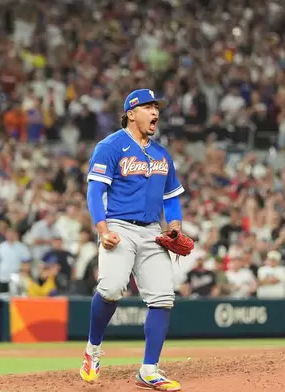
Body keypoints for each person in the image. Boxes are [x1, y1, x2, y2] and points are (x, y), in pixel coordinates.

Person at [80, 89, 185, 391]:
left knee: (163, 297)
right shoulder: (110, 146)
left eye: (157, 107)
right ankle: (93, 350)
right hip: (119, 226)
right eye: (149, 107)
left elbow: (171, 198)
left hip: (153, 230)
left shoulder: (162, 154)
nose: (155, 112)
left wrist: (175, 226)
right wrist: (102, 230)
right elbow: (94, 191)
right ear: (130, 113)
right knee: (111, 289)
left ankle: (149, 369)